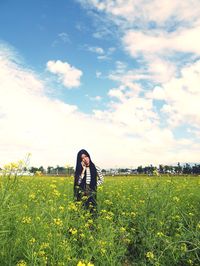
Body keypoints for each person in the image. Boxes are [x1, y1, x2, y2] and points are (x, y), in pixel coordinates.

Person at [74, 149, 104, 216]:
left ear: (89, 156)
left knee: (92, 208)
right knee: (82, 209)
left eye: (85, 156)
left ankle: (92, 224)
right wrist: (83, 170)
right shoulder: (79, 170)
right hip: (82, 191)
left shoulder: (95, 168)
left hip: (91, 190)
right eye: (82, 158)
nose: (85, 159)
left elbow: (101, 179)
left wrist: (94, 186)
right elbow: (78, 183)